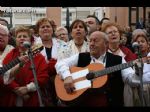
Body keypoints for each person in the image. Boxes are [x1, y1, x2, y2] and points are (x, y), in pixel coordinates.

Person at [55, 31, 138, 106]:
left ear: (106, 44)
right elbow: (60, 63)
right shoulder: (81, 56)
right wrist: (67, 76)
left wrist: (138, 71)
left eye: (95, 40)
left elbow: (130, 79)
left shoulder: (118, 60)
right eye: (90, 41)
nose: (91, 44)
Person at [1, 25, 50, 106]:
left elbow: (43, 76)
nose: (22, 38)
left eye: (25, 36)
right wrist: (16, 89)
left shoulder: (39, 57)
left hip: (32, 96)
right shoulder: (10, 55)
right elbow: (3, 75)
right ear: (15, 40)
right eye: (19, 36)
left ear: (30, 40)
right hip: (12, 96)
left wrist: (27, 88)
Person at [35, 17, 68, 106]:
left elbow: (69, 62)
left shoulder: (63, 44)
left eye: (48, 26)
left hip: (61, 81)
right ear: (38, 31)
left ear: (53, 29)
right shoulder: (32, 46)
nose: (45, 28)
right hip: (42, 85)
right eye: (42, 27)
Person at [124, 33, 150, 106]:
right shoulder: (132, 58)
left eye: (142, 41)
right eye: (138, 42)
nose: (140, 44)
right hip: (136, 87)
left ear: (148, 44)